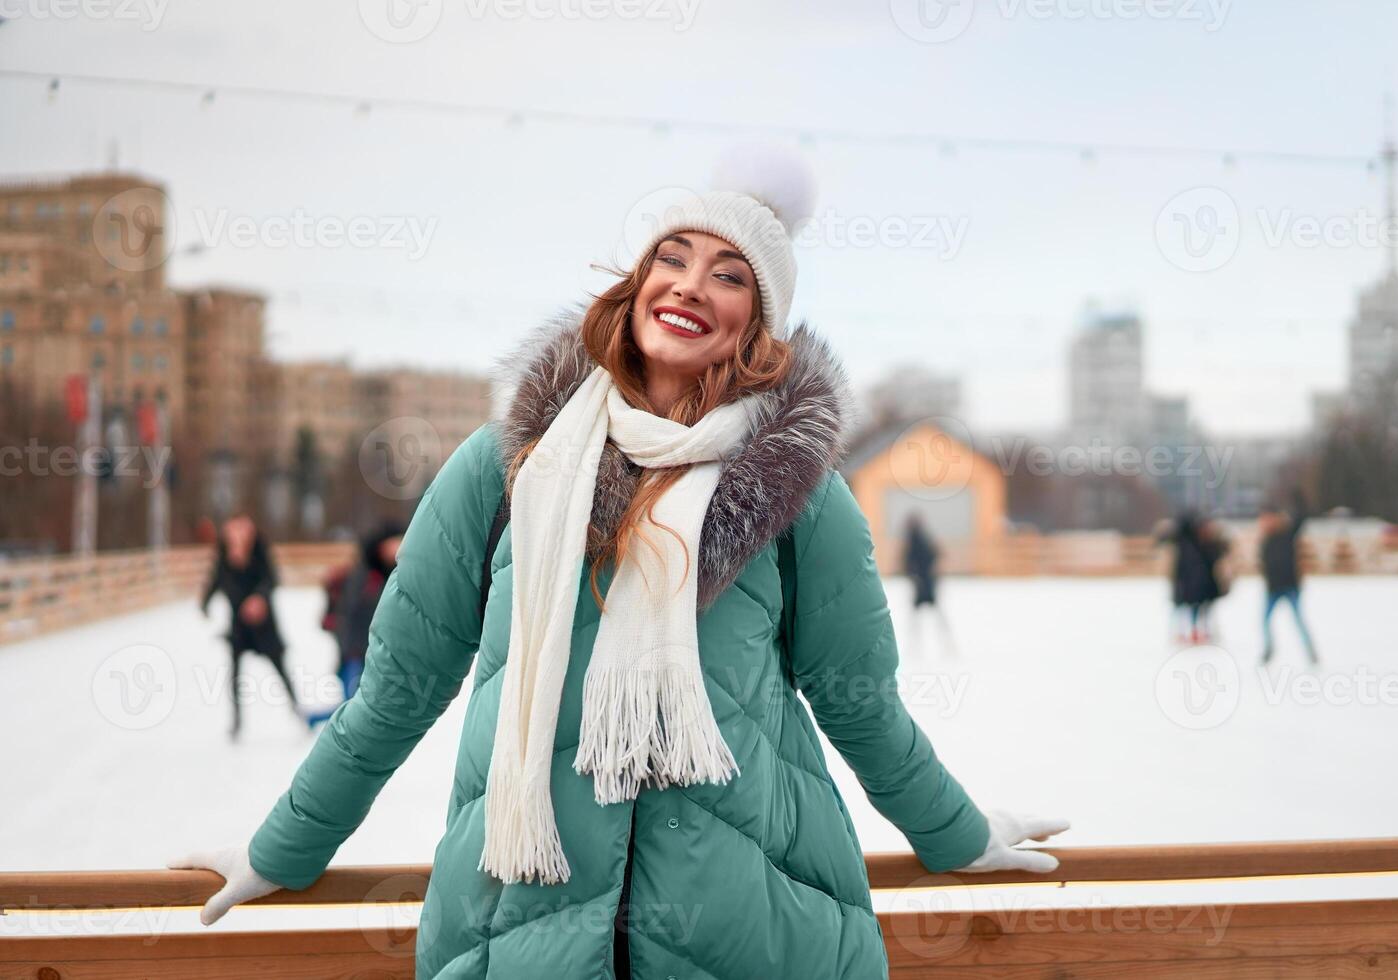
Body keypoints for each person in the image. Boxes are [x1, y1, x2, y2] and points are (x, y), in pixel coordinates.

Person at [169, 148, 1068, 979]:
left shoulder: (799, 492)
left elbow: (858, 699)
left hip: (753, 930)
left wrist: (956, 832)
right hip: (523, 926)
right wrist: (282, 846)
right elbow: (400, 687)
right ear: (637, 282)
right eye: (671, 258)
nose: (689, 286)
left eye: (728, 275)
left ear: (758, 322)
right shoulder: (507, 465)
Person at [200, 512, 302, 740]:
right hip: (238, 626)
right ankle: (236, 721)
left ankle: (297, 710)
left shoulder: (259, 550)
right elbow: (216, 579)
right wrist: (205, 602)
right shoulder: (224, 555)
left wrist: (259, 598)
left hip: (263, 624)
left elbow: (271, 578)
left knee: (280, 667)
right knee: (235, 672)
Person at [306, 520, 405, 728]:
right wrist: (352, 650)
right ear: (381, 545)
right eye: (394, 543)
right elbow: (350, 615)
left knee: (360, 706)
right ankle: (313, 719)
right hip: (356, 653)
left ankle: (313, 719)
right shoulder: (365, 575)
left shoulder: (396, 573)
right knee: (354, 707)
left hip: (376, 653)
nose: (398, 548)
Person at [1259, 489, 1319, 666]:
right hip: (1272, 589)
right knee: (1264, 621)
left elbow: (1301, 518)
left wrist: (1298, 498)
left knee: (1299, 621)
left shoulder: (1287, 534)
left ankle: (1311, 652)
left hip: (1290, 586)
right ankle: (1268, 650)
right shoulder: (1266, 539)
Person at [1159, 510, 1229, 645]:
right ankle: (1184, 633)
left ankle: (1199, 632)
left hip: (1203, 585)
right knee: (1183, 610)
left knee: (1201, 610)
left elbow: (1217, 556)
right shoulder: (1185, 542)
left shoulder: (1206, 543)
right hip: (1186, 584)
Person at [902, 511, 959, 657]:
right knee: (928, 618)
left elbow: (931, 557)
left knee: (930, 618)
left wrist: (920, 576)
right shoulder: (919, 539)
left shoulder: (918, 540)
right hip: (924, 584)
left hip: (925, 584)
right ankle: (917, 649)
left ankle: (944, 648)